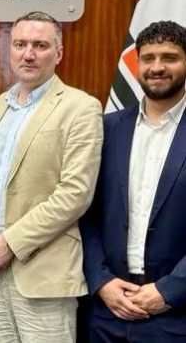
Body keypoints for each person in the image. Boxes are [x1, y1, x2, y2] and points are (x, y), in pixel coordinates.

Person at [0, 11, 103, 342]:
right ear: (9, 50)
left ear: (58, 53)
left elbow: (75, 193)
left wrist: (9, 243)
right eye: (20, 44)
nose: (28, 54)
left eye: (40, 45)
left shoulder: (81, 108)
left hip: (44, 272)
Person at [81, 20, 186, 342]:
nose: (157, 67)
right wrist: (101, 281)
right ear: (136, 63)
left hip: (176, 315)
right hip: (107, 311)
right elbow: (86, 213)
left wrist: (170, 290)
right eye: (148, 58)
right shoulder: (107, 128)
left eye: (170, 58)